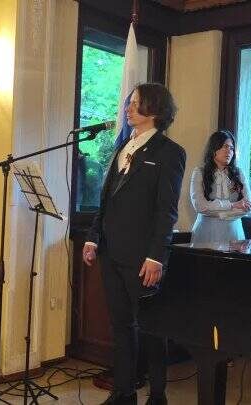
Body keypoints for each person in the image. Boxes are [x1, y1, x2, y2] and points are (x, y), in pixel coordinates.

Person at [82, 83, 185, 405]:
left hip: (143, 258)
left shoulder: (170, 152)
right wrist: (92, 237)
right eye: (129, 102)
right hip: (111, 252)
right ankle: (123, 393)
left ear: (153, 108)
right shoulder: (123, 147)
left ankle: (157, 395)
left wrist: (156, 257)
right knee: (121, 326)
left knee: (152, 328)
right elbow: (106, 200)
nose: (127, 108)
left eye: (135, 102)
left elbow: (166, 211)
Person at [190, 130, 251, 243]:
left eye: (232, 148)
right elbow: (200, 206)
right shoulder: (199, 172)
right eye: (225, 147)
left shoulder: (239, 173)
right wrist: (233, 205)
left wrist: (217, 213)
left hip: (234, 233)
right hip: (206, 233)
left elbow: (248, 207)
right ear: (214, 148)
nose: (229, 151)